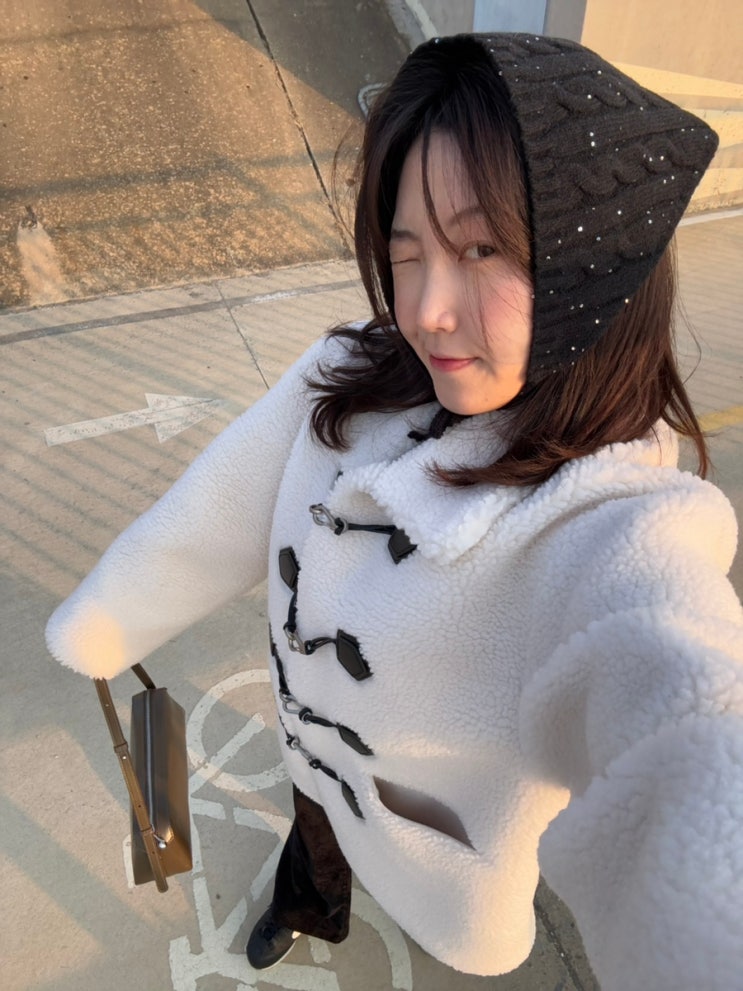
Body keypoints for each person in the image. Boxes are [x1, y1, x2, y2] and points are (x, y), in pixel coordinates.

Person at [46, 33, 743, 991]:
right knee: (312, 842)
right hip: (311, 753)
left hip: (426, 840)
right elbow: (211, 510)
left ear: (597, 270)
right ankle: (308, 904)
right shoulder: (350, 373)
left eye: (480, 249)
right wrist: (106, 621)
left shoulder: (605, 518)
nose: (425, 311)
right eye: (405, 253)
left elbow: (683, 707)